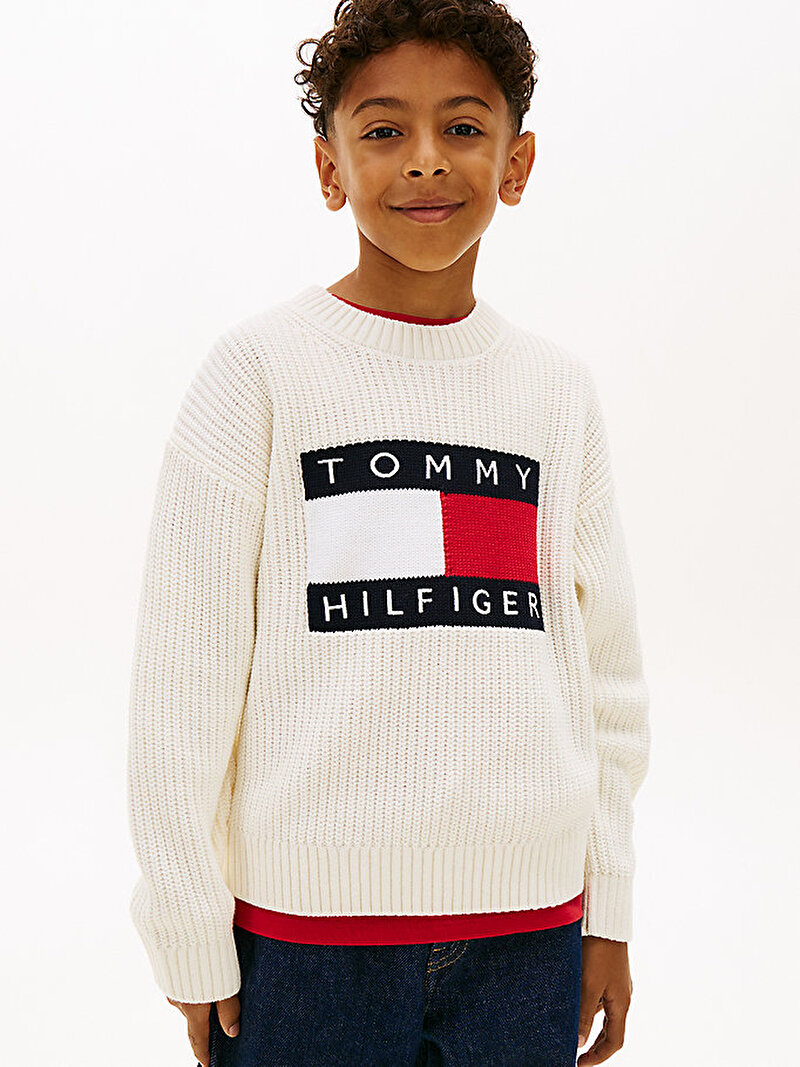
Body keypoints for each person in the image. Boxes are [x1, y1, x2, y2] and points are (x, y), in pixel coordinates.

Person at [126, 2, 651, 1065]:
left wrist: (608, 909)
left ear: (516, 163)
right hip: (303, 945)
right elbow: (183, 680)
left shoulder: (555, 393)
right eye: (381, 130)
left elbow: (607, 681)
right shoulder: (258, 374)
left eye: (462, 126)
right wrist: (188, 929)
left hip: (529, 938)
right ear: (329, 168)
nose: (424, 159)